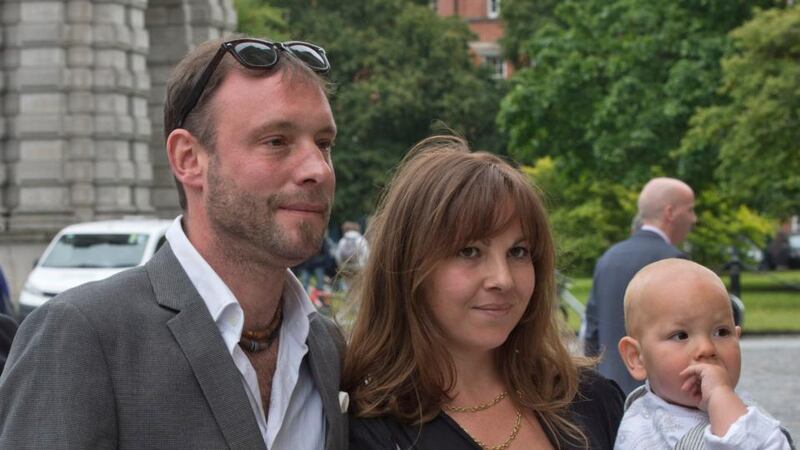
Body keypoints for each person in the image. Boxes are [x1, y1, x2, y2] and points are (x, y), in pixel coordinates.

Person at [0, 36, 347, 449]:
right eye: (276, 141)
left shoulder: (326, 347)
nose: (318, 170)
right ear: (188, 159)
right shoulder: (82, 335)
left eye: (323, 144)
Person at [344, 135, 624, 450]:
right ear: (408, 267)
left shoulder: (589, 399)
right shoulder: (371, 432)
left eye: (518, 252)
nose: (502, 280)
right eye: (469, 251)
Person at [615, 259, 794, 449]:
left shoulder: (734, 405)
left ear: (737, 336)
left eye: (721, 332)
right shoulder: (641, 427)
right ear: (637, 358)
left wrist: (722, 398)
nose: (706, 349)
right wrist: (719, 395)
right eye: (681, 336)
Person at [584, 177, 696, 395]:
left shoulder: (608, 258)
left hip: (610, 391)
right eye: (690, 210)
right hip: (659, 394)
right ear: (670, 212)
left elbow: (591, 330)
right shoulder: (673, 261)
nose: (694, 219)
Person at [335, 221, 369, 290]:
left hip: (346, 267)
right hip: (359, 267)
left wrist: (341, 266)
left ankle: (349, 299)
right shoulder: (361, 240)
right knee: (359, 287)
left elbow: (337, 255)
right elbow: (366, 254)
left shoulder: (343, 240)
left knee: (348, 287)